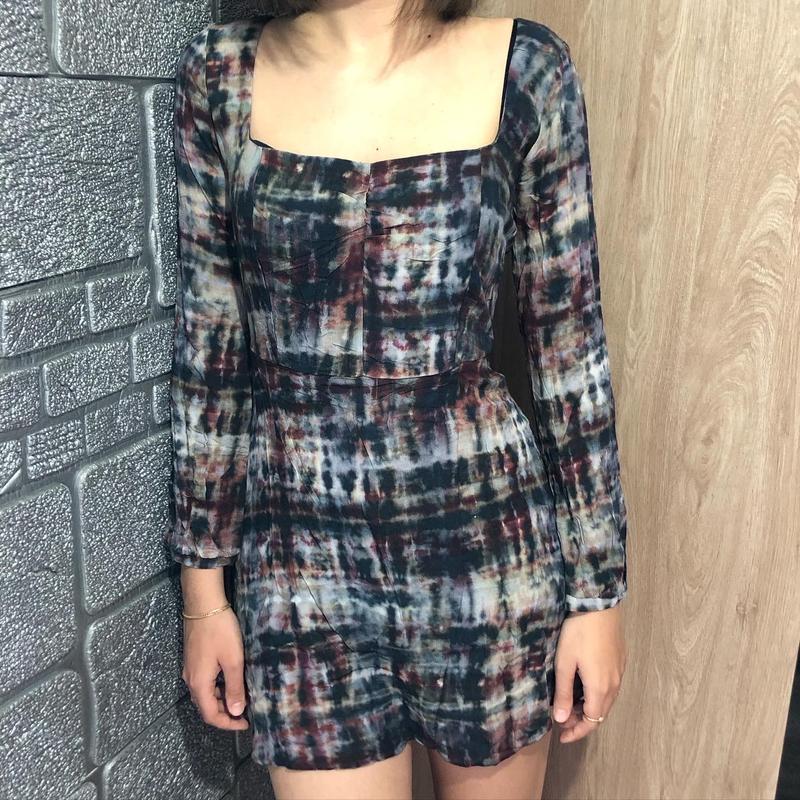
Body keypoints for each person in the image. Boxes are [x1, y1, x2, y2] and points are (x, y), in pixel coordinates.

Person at [166, 3, 629, 799]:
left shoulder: (526, 70)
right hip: (301, 563)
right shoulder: (221, 74)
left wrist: (597, 592)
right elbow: (212, 347)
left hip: (485, 549)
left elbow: (568, 347)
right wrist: (203, 596)